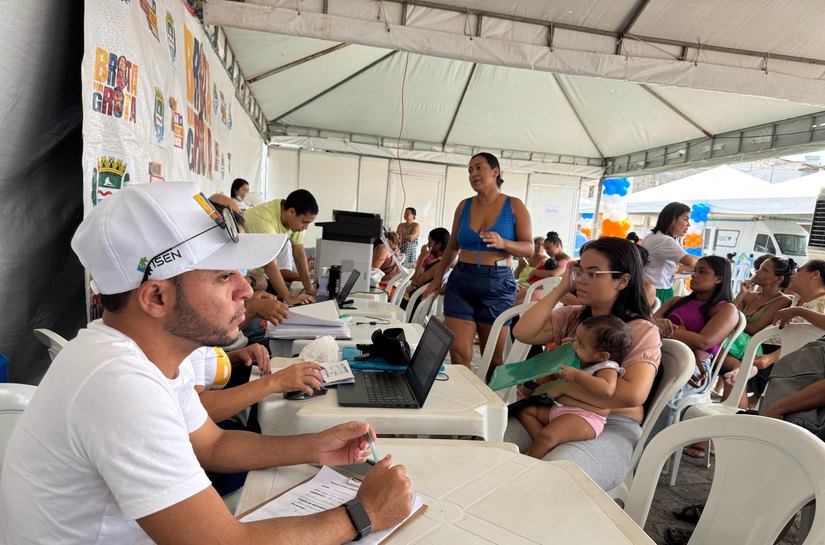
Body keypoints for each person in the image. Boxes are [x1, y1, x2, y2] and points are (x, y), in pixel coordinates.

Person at [0, 182, 412, 544]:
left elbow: (213, 444)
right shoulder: (119, 384)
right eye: (223, 276)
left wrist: (313, 446)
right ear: (156, 297)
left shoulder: (152, 354)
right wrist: (366, 513)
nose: (246, 289)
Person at [507, 237, 661, 490]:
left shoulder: (641, 330)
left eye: (593, 273)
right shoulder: (574, 316)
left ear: (622, 280)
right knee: (492, 446)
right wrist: (561, 287)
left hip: (612, 425)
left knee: (553, 479)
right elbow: (524, 332)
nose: (581, 279)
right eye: (580, 271)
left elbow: (631, 395)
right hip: (555, 412)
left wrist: (561, 388)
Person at [424, 153, 533, 370]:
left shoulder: (514, 206)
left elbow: (529, 248)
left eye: (478, 167)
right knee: (459, 355)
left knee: (493, 359)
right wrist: (437, 280)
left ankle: (489, 394)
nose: (473, 173)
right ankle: (463, 393)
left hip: (497, 284)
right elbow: (452, 247)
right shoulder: (463, 206)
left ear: (495, 171)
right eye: (470, 170)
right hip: (461, 280)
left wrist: (503, 243)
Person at [655, 255, 739, 458]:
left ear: (719, 278)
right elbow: (648, 323)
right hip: (659, 356)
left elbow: (704, 342)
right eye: (695, 270)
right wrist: (677, 332)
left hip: (694, 369)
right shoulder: (676, 301)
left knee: (664, 391)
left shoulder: (726, 309)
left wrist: (667, 329)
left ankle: (653, 450)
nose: (694, 275)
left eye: (702, 272)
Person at [517, 315, 633, 459]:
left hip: (585, 418)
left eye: (581, 344)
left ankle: (530, 458)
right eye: (576, 339)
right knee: (527, 412)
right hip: (563, 409)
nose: (575, 345)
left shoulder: (607, 367)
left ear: (602, 356)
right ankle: (543, 445)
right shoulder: (584, 359)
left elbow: (606, 389)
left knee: (548, 435)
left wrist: (576, 375)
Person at [724, 260, 825, 406]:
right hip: (767, 348)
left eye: (799, 271)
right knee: (728, 363)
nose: (793, 274)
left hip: (790, 361)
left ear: (815, 275)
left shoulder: (821, 303)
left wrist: (770, 358)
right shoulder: (797, 299)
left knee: (734, 379)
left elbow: (803, 342)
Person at [720, 256, 794, 398]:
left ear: (778, 279)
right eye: (759, 268)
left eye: (764, 270)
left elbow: (755, 329)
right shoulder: (749, 295)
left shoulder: (783, 301)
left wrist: (732, 324)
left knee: (715, 342)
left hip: (757, 349)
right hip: (736, 344)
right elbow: (726, 316)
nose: (757, 272)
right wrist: (741, 294)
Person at [243, 189, 318, 305]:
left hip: (262, 273)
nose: (305, 227)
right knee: (271, 292)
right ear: (292, 212)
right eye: (304, 222)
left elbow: (299, 252)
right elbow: (270, 265)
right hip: (245, 272)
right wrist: (289, 298)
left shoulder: (291, 219)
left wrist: (309, 289)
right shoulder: (263, 219)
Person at [641, 202, 698, 303]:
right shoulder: (665, 240)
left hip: (648, 287)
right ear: (672, 219)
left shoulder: (653, 236)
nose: (688, 224)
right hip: (658, 291)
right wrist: (705, 262)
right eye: (685, 219)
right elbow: (689, 261)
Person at [400, 227, 450, 310]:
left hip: (416, 303)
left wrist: (422, 257)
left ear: (439, 244)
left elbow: (415, 282)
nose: (428, 245)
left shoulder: (439, 264)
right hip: (416, 299)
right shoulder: (437, 259)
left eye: (430, 242)